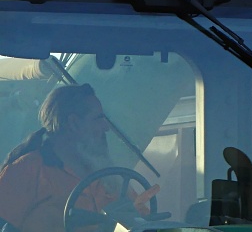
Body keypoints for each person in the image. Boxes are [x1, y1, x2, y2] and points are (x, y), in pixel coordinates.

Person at [0, 84, 158, 232]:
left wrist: (135, 219)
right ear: (74, 123)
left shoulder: (111, 176)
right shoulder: (27, 169)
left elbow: (144, 224)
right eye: (98, 118)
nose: (106, 127)